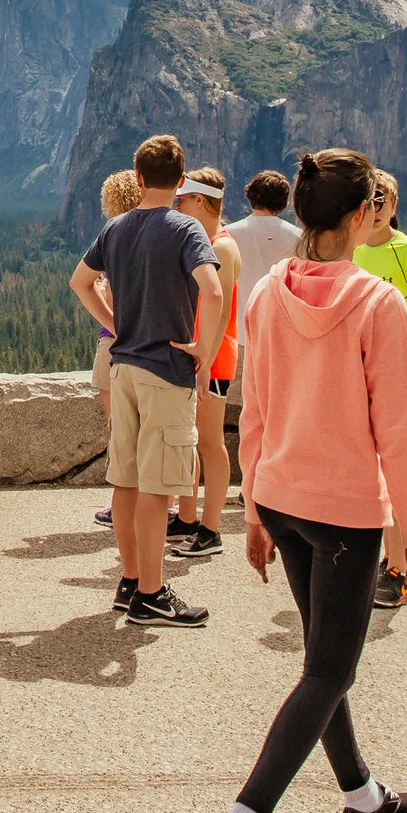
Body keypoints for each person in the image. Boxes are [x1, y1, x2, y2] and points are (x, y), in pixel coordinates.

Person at [204, 147, 407, 813]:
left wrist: (253, 508)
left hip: (283, 497)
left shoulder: (269, 293)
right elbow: (397, 430)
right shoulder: (378, 303)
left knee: (321, 665)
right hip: (344, 512)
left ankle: (364, 798)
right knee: (330, 670)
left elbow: (255, 407)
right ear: (363, 215)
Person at [69, 133, 226, 629]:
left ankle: (131, 581)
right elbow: (214, 290)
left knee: (127, 479)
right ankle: (153, 595)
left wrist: (115, 323)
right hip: (165, 370)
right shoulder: (187, 229)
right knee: (159, 487)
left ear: (138, 179)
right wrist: (206, 348)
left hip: (124, 368)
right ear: (181, 182)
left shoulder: (114, 229)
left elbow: (79, 282)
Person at [352, 169, 407, 609]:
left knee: (398, 476)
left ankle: (394, 568)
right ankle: (380, 562)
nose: (376, 205)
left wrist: (399, 360)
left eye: (383, 197)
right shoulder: (350, 253)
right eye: (369, 198)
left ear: (394, 204)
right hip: (356, 383)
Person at [171, 167, 241, 561]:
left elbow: (222, 308)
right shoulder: (204, 240)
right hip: (196, 353)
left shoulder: (224, 247)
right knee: (191, 440)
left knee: (211, 442)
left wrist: (206, 361)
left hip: (212, 358)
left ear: (200, 201)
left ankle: (211, 527)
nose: (178, 206)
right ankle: (187, 516)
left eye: (182, 201)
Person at [90, 168, 140, 530]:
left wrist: (116, 323)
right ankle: (160, 503)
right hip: (152, 342)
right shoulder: (157, 232)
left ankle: (120, 504)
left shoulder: (113, 235)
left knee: (119, 430)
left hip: (114, 341)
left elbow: (93, 286)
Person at [223, 170, 302, 309]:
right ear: (283, 202)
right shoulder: (297, 236)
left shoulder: (228, 234)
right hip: (281, 318)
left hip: (240, 320)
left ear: (250, 195)